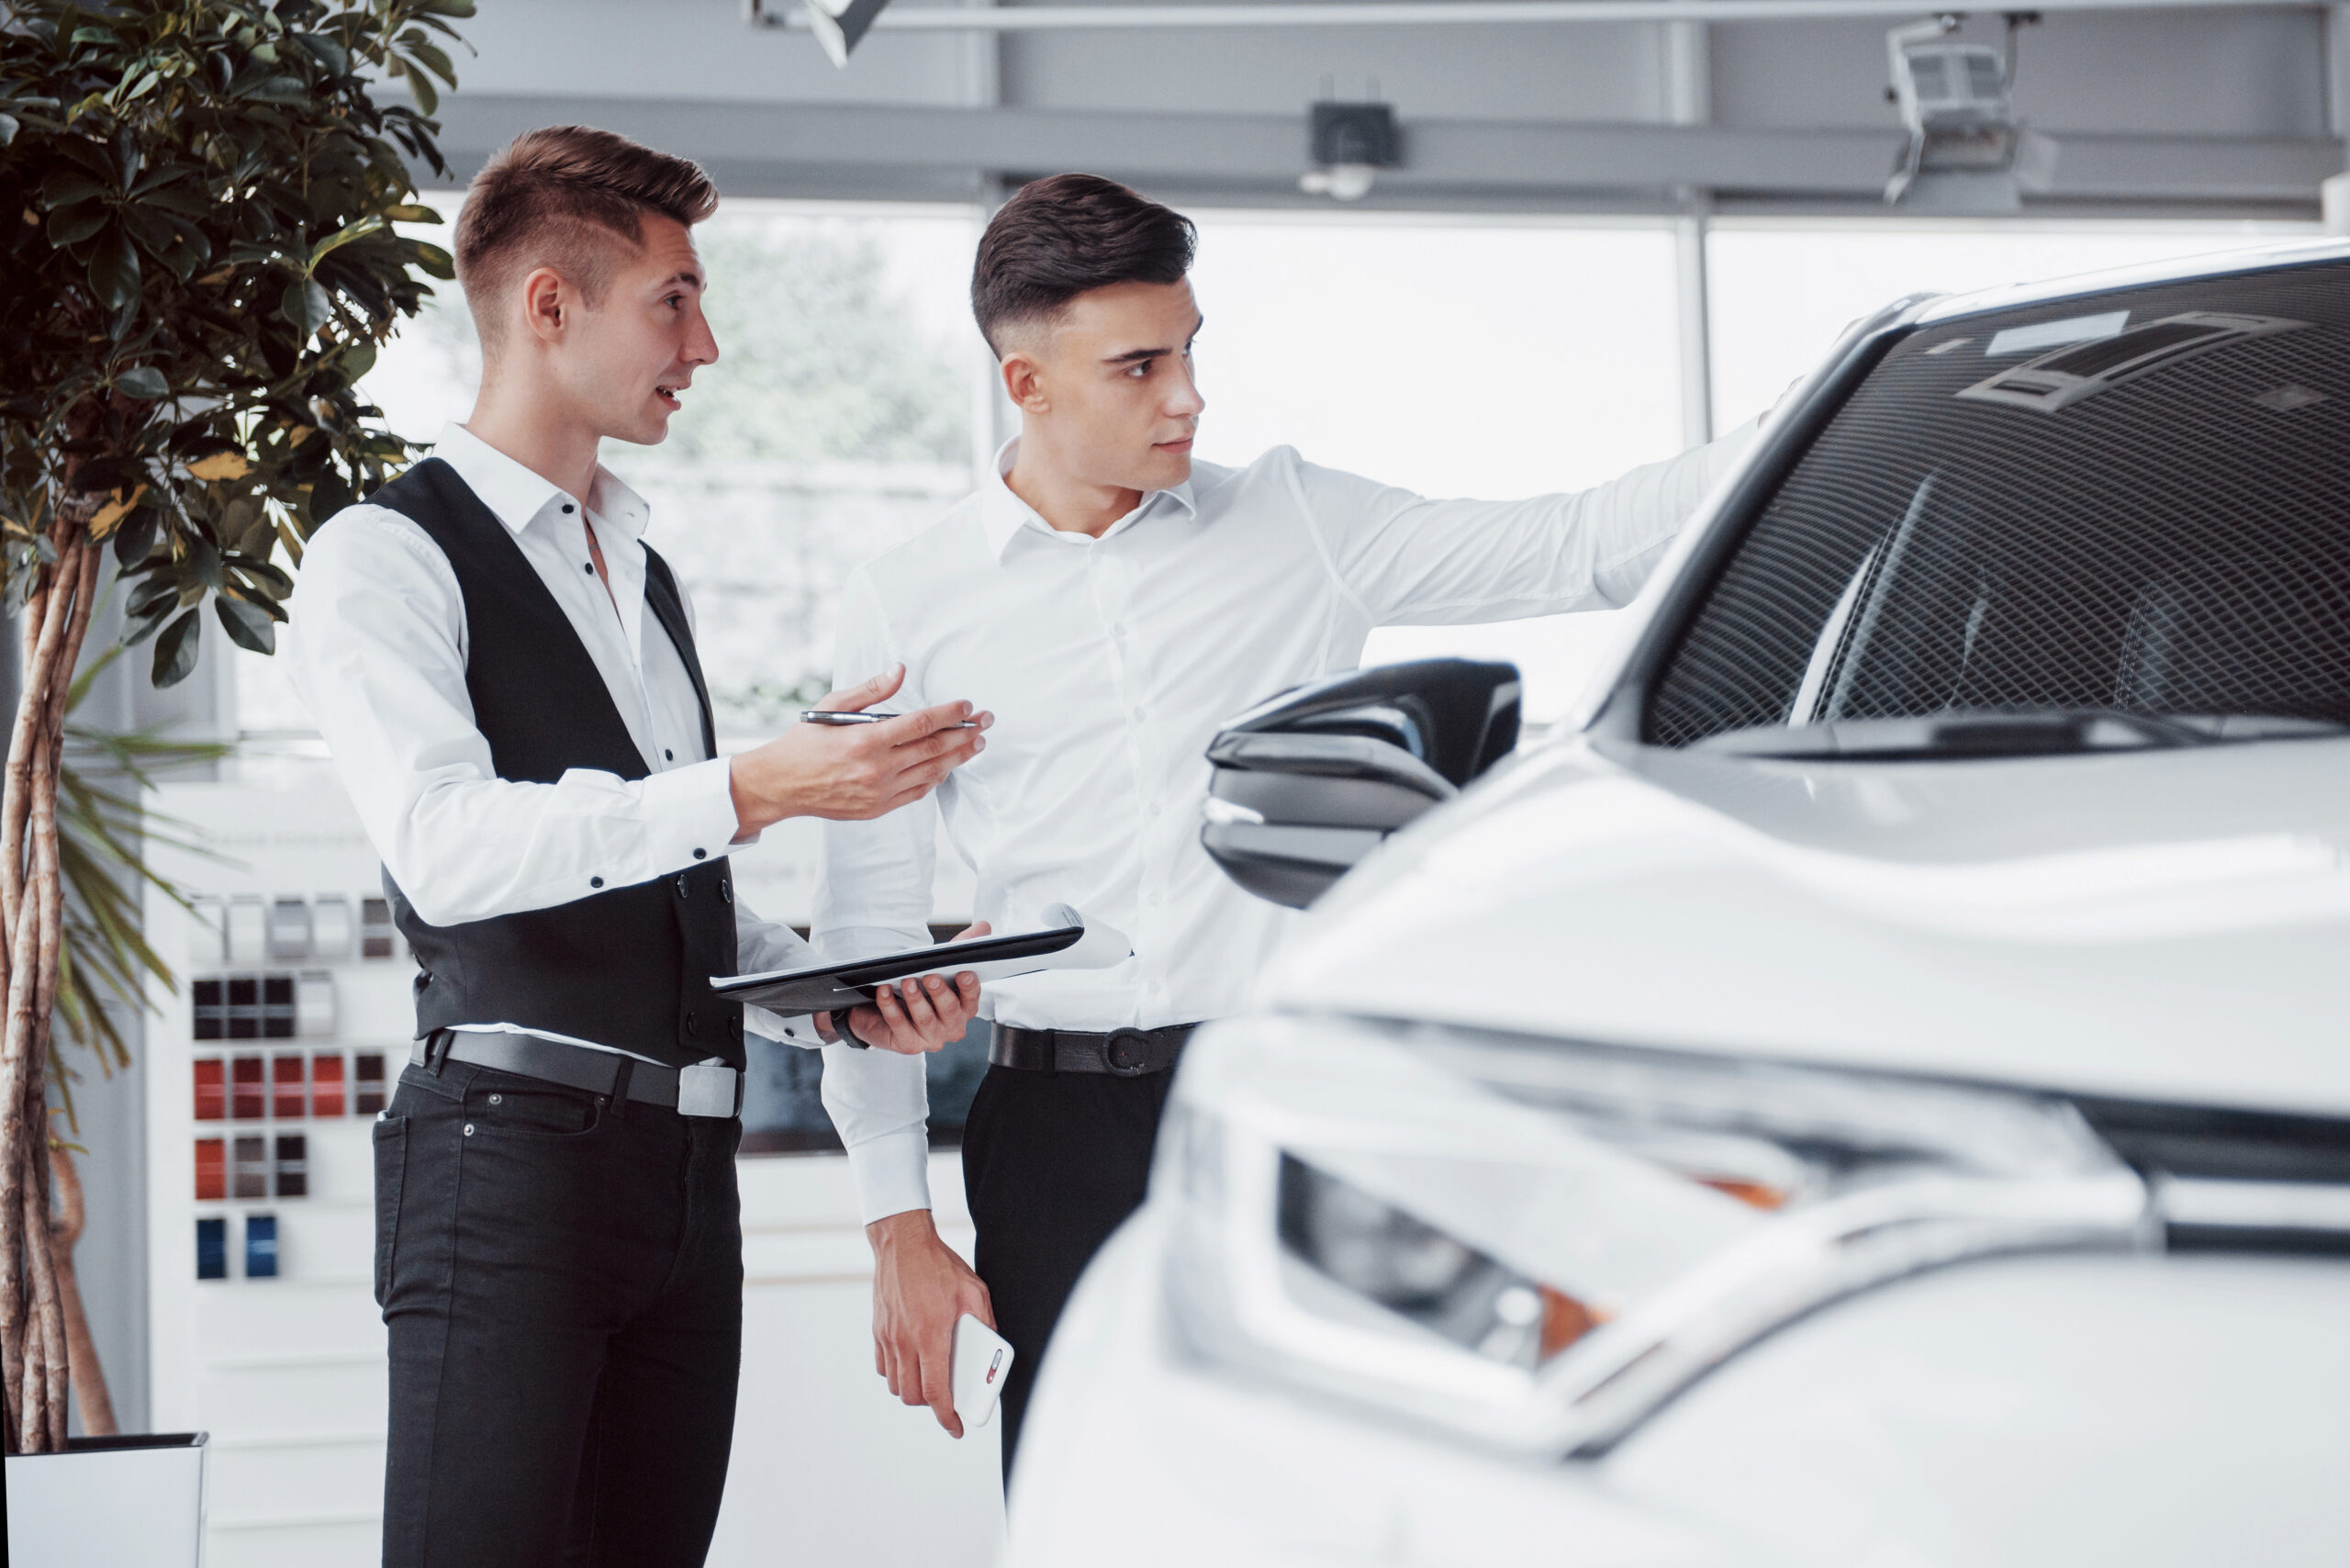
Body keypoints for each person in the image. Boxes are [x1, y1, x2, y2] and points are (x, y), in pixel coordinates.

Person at [811, 173, 1763, 1473]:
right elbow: (865, 936)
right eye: (1139, 367)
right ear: (1026, 386)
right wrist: (895, 1228)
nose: (1188, 396)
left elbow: (1582, 546)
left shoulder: (1299, 522)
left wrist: (1807, 432)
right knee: (1087, 1500)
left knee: (1309, 1490)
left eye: (1190, 352)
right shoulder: (905, 601)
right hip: (1048, 1137)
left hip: (1272, 1101)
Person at [285, 126, 990, 1568]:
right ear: (550, 306)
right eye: (674, 297)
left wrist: (838, 990)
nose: (709, 341)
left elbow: (668, 893)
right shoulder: (385, 555)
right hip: (509, 1168)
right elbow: (449, 848)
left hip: (682, 1180)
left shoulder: (641, 568)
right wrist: (760, 787)